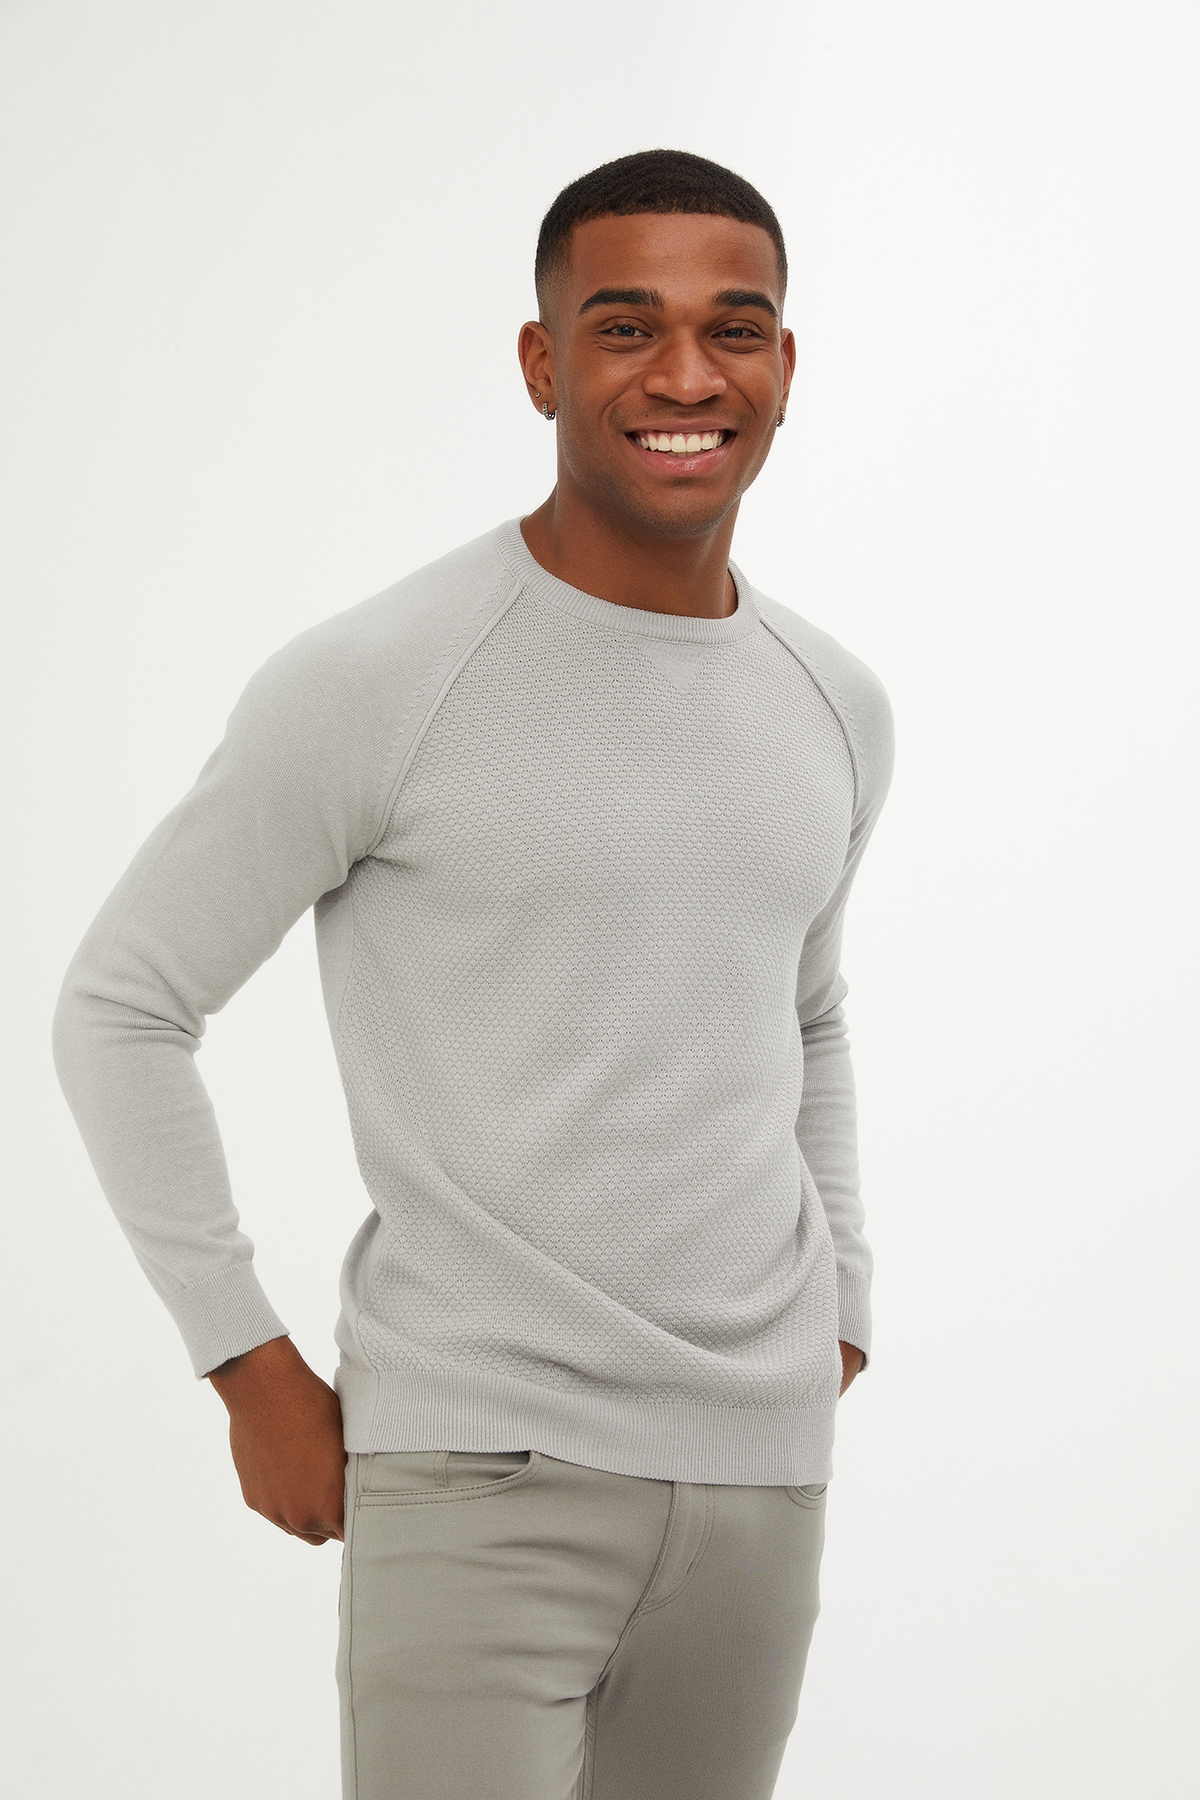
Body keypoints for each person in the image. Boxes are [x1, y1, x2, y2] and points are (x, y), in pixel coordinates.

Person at [52, 148, 895, 1800]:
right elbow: (124, 1006)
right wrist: (246, 1365)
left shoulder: (835, 702)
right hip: (478, 1473)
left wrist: (844, 1298)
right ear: (541, 362)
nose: (685, 376)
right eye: (624, 326)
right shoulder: (381, 678)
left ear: (786, 365)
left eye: (733, 329)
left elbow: (804, 1008)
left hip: (761, 1481)